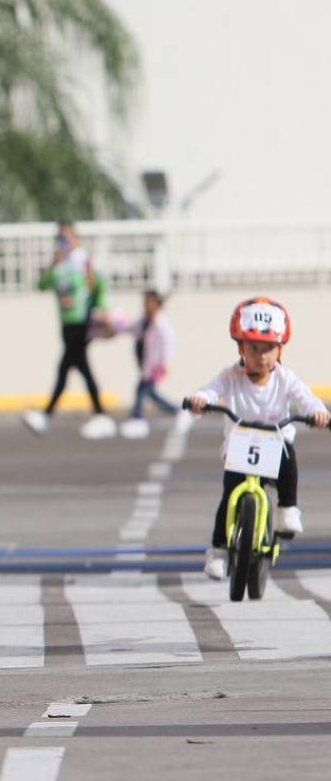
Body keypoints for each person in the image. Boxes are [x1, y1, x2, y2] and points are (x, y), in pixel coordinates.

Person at [186, 298, 329, 580]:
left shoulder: (286, 379)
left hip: (275, 445)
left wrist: (319, 413)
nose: (261, 355)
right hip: (239, 447)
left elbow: (306, 399)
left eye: (268, 349)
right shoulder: (230, 376)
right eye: (253, 347)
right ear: (240, 347)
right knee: (229, 497)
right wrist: (200, 400)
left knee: (289, 458)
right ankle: (218, 551)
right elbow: (211, 391)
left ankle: (288, 507)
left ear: (280, 350)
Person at [22, 222, 115, 440]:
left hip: (81, 322)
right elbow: (42, 285)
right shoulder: (60, 265)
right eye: (60, 239)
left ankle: (46, 414)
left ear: (76, 238)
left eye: (66, 238)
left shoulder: (83, 262)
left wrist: (101, 309)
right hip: (66, 324)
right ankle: (99, 414)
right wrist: (53, 264)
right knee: (80, 367)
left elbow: (99, 286)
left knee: (65, 367)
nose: (63, 242)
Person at [116, 289, 184, 439]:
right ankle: (177, 410)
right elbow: (128, 328)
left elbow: (168, 343)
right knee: (150, 393)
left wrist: (163, 363)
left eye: (150, 302)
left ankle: (136, 417)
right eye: (145, 302)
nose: (146, 306)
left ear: (157, 305)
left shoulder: (160, 325)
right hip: (145, 364)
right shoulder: (143, 322)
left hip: (154, 366)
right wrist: (114, 325)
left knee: (142, 390)